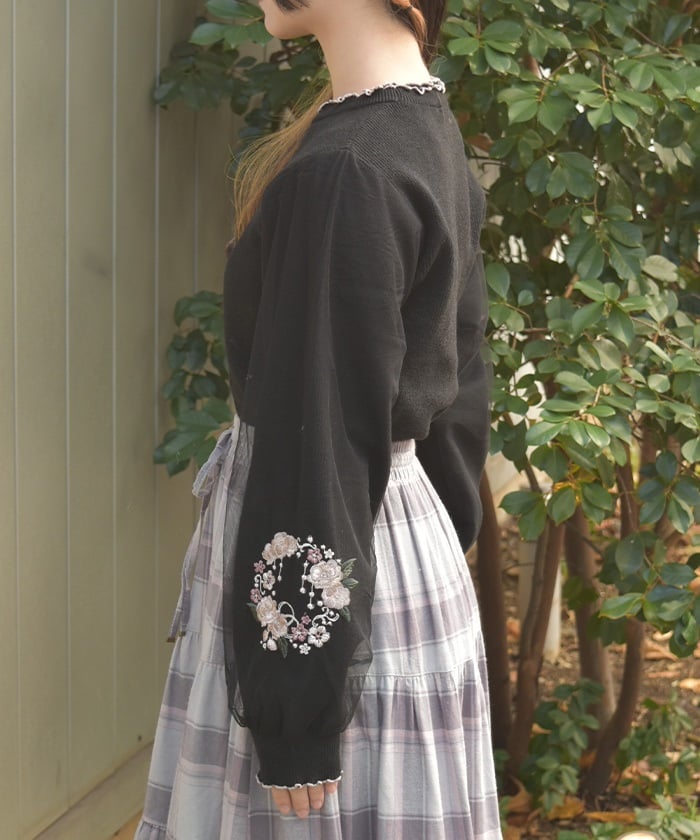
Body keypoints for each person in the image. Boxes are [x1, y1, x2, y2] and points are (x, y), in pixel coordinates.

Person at [136, 0, 502, 836]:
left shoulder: (345, 169)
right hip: (393, 550)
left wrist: (296, 708)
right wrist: (430, 551)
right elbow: (460, 380)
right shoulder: (421, 121)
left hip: (327, 588)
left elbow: (319, 431)